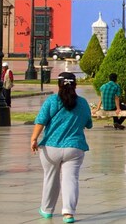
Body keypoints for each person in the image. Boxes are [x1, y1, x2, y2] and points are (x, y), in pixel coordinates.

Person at [31, 71, 92, 223]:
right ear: (75, 85)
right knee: (70, 179)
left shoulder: (52, 101)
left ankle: (46, 210)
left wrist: (34, 138)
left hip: (51, 147)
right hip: (74, 147)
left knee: (50, 178)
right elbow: (88, 124)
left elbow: (41, 121)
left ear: (58, 85)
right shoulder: (83, 103)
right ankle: (68, 213)